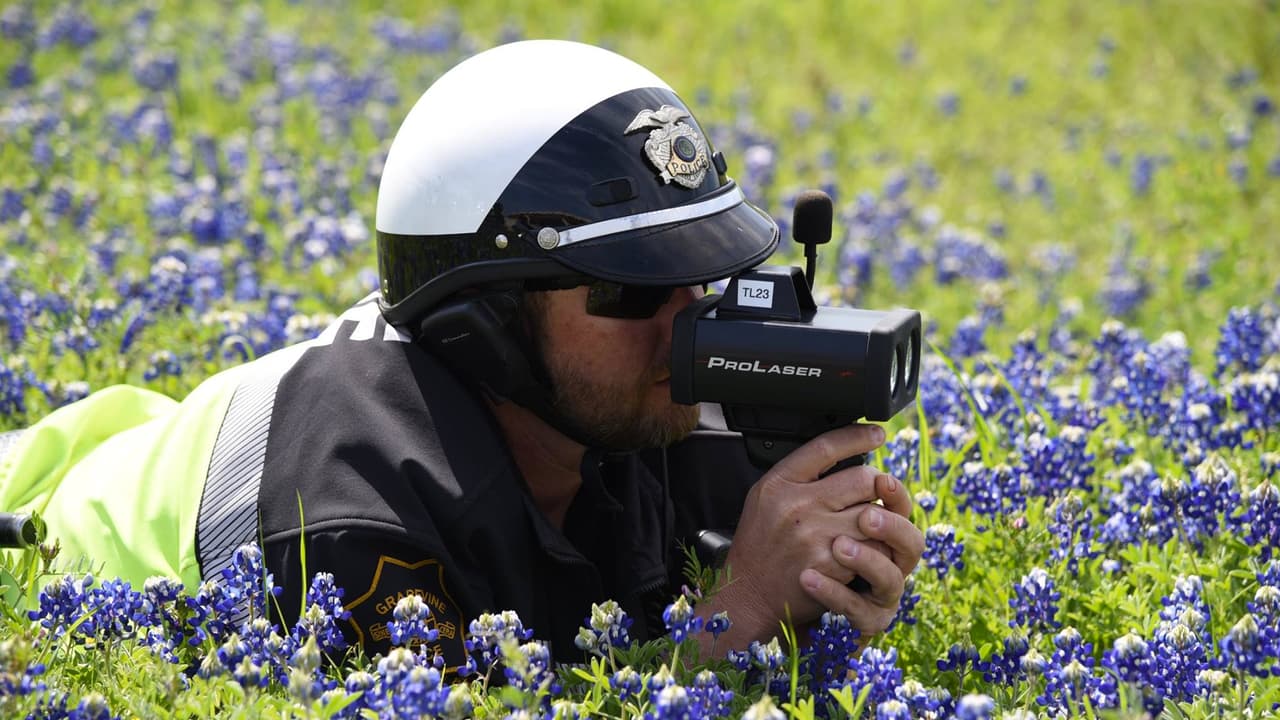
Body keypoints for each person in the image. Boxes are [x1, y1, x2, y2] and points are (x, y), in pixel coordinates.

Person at [0, 40, 923, 668]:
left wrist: (818, 588)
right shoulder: (353, 518)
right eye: (634, 286)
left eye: (704, 272)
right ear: (485, 318)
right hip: (41, 544)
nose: (688, 317)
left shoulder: (646, 400)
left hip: (138, 435)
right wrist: (735, 621)